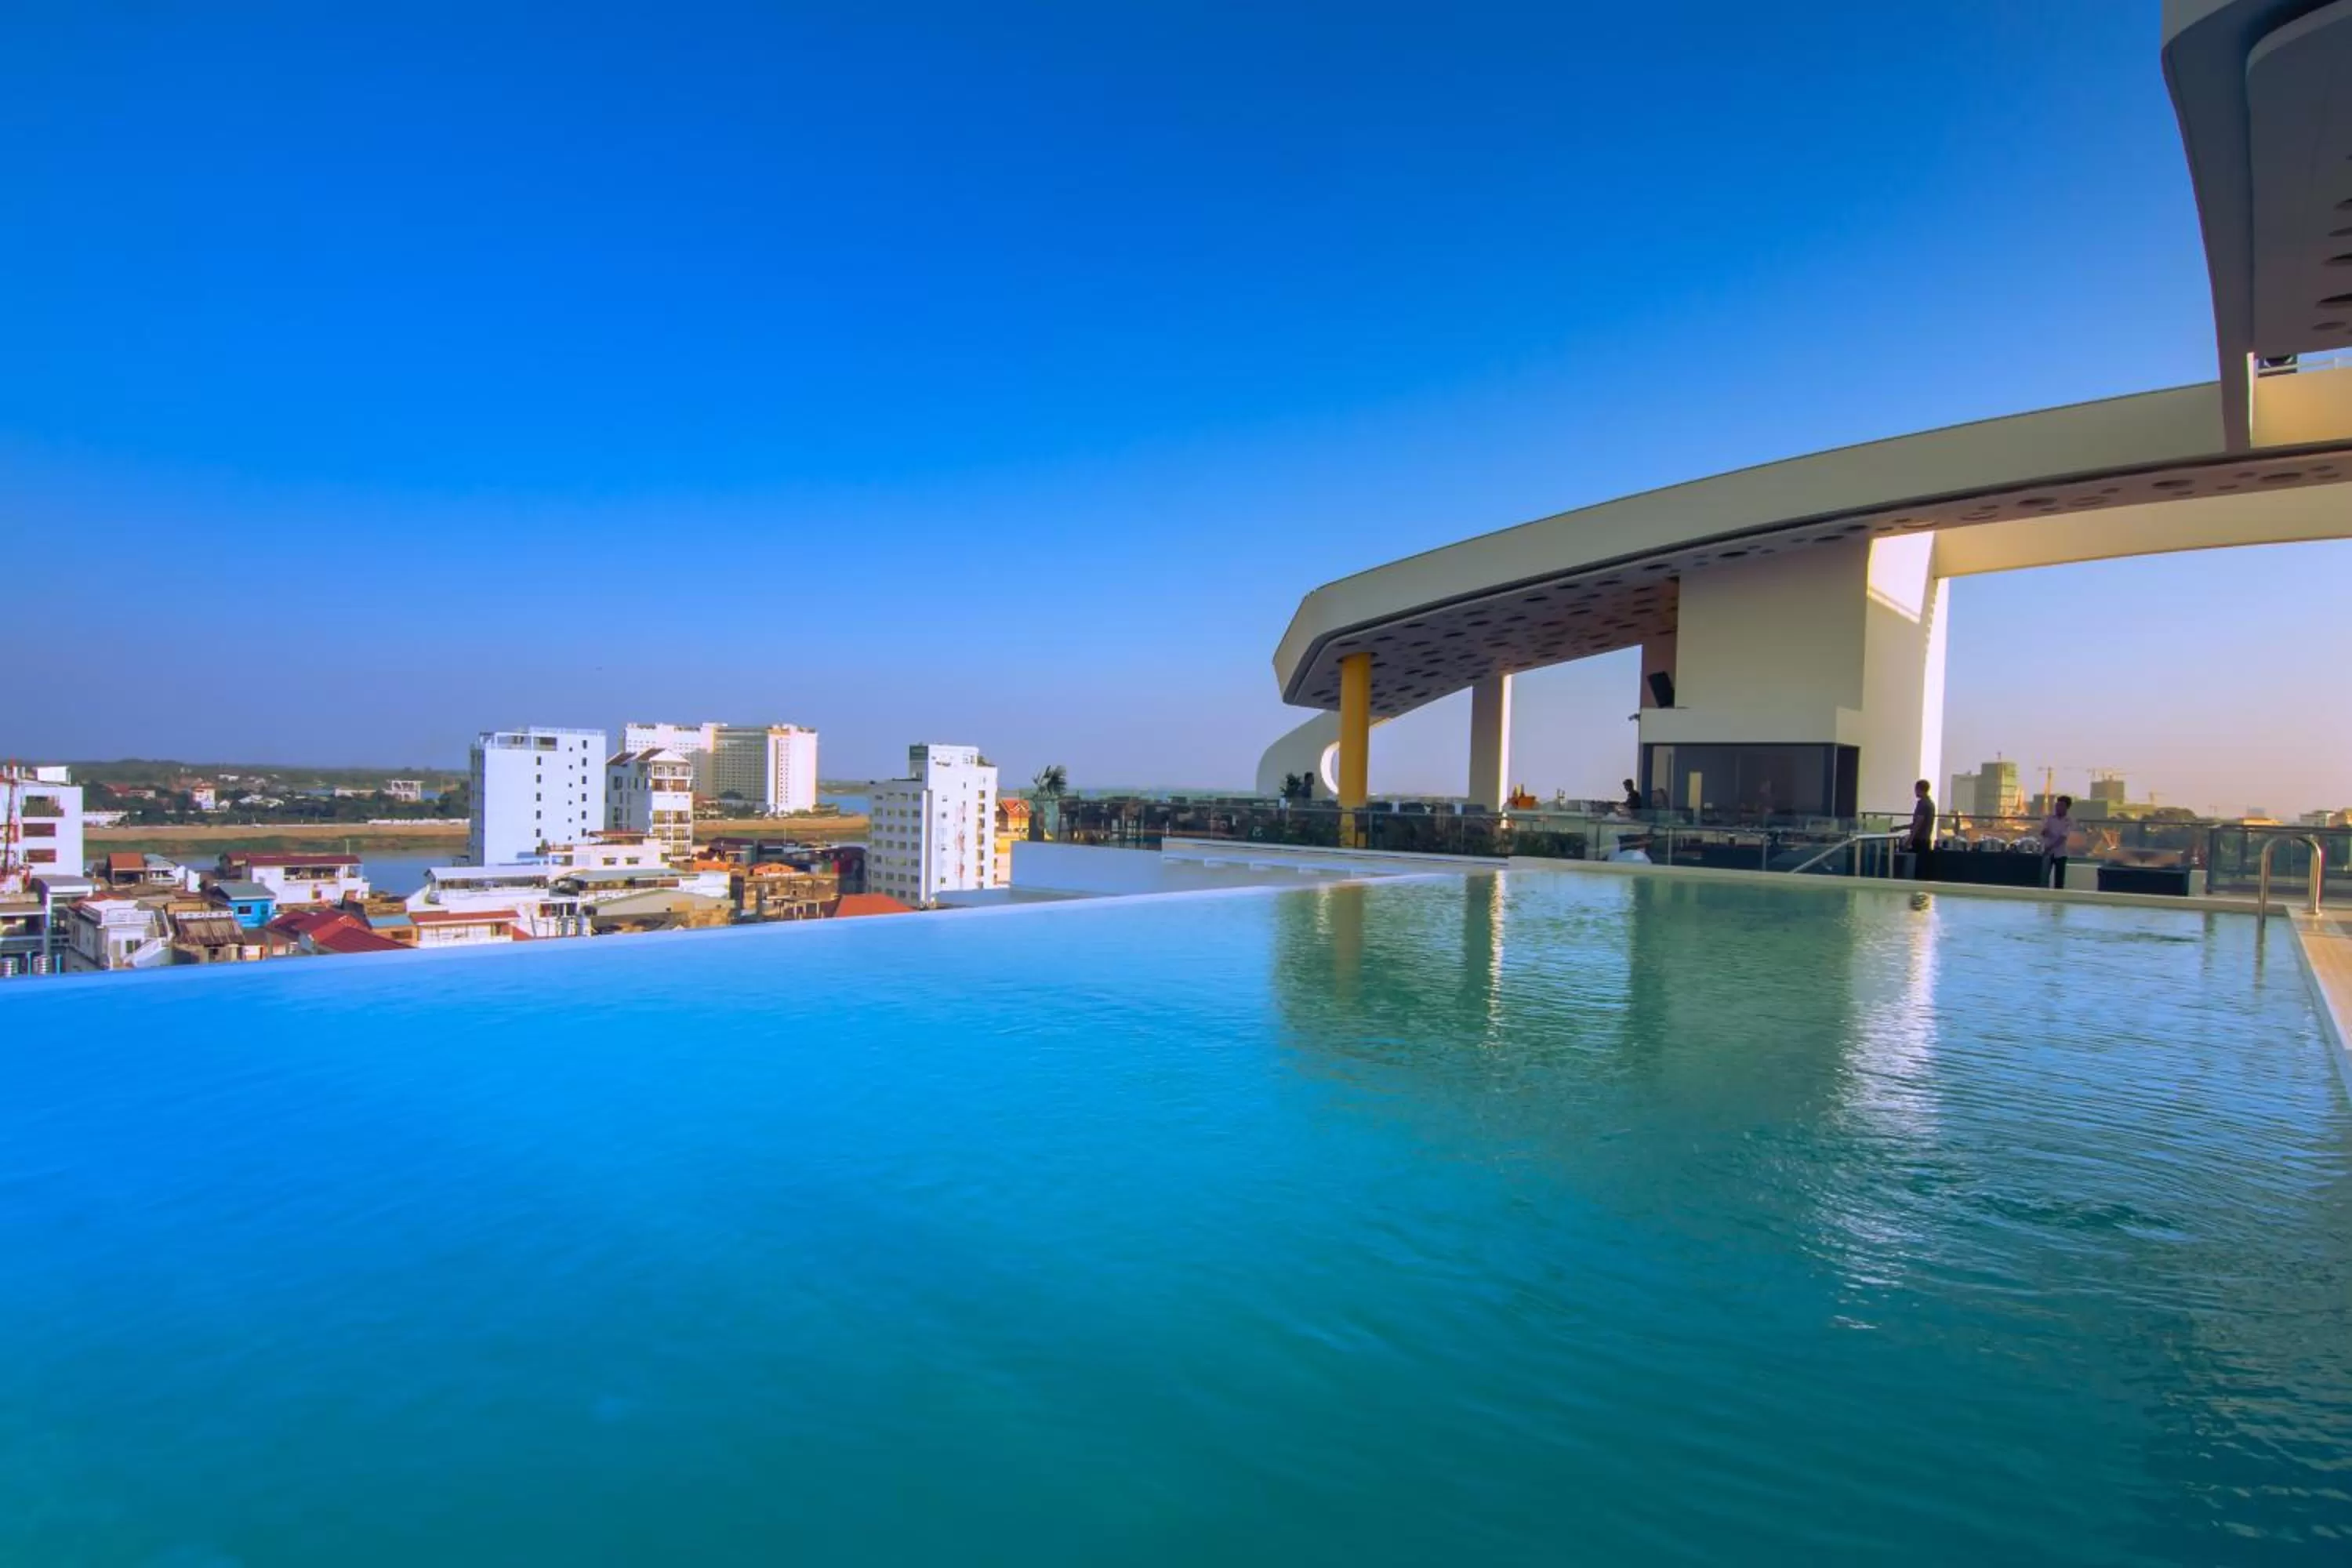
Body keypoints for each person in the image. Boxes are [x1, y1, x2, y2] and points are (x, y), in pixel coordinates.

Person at [2038, 795, 2074, 888]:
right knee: (2044, 877)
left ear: (2067, 807)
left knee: (2059, 880)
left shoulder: (2068, 821)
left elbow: (2063, 838)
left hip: (2061, 854)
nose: (2058, 808)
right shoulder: (2050, 818)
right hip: (2047, 853)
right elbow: (2043, 832)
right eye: (2057, 805)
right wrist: (2045, 832)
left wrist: (2051, 846)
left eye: (2061, 806)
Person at [1907, 779, 1936, 879]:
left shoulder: (1923, 804)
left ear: (1919, 789)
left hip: (1919, 840)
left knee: (1918, 869)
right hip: (1926, 839)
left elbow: (1918, 824)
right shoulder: (1930, 804)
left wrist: (1909, 840)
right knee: (1923, 868)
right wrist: (1900, 828)